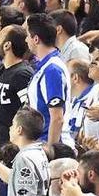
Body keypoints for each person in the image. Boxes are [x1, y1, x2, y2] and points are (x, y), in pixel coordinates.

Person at [25, 13, 70, 144]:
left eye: (27, 36)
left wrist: (51, 150)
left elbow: (57, 118)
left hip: (51, 145)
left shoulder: (52, 70)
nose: (25, 40)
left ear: (36, 39)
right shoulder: (45, 66)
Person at [1, 107, 50, 196]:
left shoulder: (24, 158)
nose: (10, 128)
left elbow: (25, 194)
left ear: (19, 130)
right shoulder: (40, 152)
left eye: (12, 124)